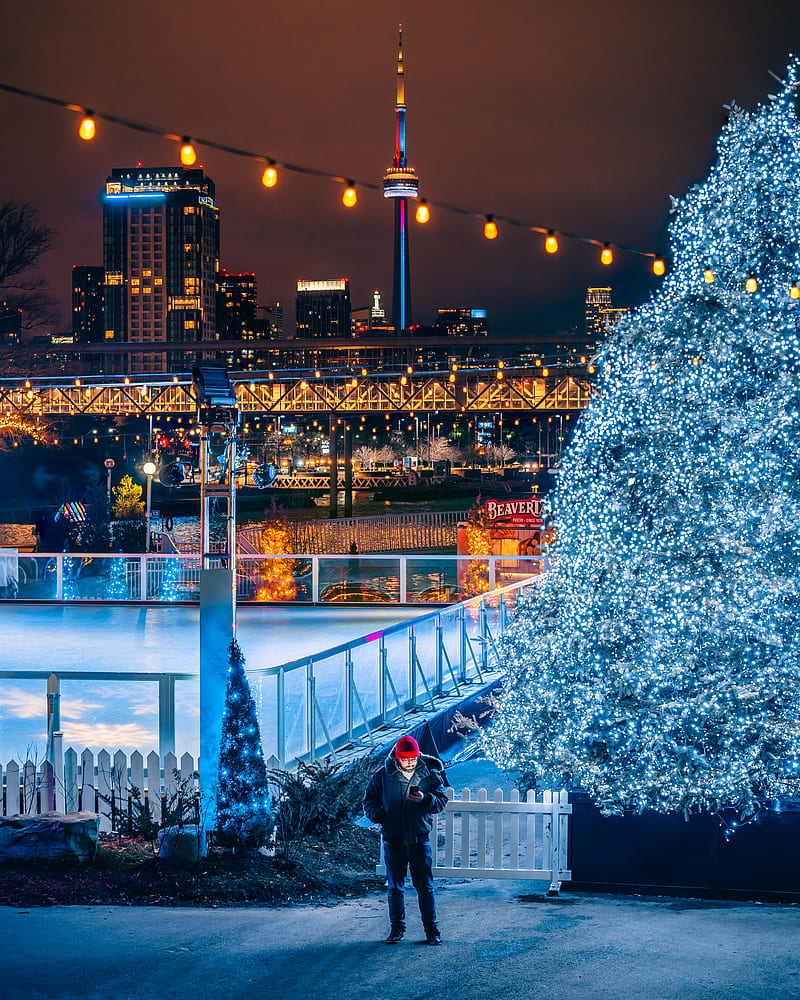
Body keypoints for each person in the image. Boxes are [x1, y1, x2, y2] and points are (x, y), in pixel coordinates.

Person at [363, 735, 448, 945]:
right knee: (395, 887)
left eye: (412, 759)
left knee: (425, 887)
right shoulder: (383, 775)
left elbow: (441, 801)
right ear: (397, 758)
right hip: (394, 838)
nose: (409, 763)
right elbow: (369, 800)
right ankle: (397, 928)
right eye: (405, 759)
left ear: (418, 756)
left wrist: (425, 799)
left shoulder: (429, 773)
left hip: (419, 838)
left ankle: (432, 930)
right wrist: (379, 815)